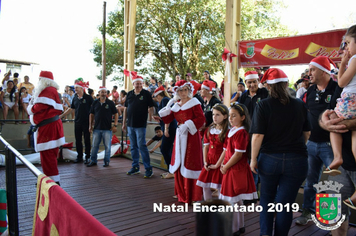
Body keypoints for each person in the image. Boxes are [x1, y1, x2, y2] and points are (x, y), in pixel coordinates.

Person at [250, 68, 310, 236]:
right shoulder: (300, 104)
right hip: (297, 160)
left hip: (269, 159)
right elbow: (307, 133)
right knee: (285, 204)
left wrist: (253, 159)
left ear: (268, 86)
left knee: (267, 200)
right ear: (286, 84)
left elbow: (257, 136)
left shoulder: (263, 105)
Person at [295, 56, 339, 226]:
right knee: (310, 182)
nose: (309, 73)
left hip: (331, 146)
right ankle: (307, 212)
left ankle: (333, 220)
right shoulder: (311, 90)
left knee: (335, 184)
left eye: (312, 69)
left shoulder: (337, 88)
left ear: (323, 71)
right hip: (312, 144)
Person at [159, 80, 205, 203]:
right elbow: (168, 118)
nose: (183, 92)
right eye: (180, 90)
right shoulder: (177, 105)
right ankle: (181, 193)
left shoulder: (195, 103)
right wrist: (168, 107)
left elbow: (201, 119)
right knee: (179, 162)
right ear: (177, 92)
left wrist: (188, 125)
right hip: (180, 135)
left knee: (190, 162)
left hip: (191, 136)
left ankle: (194, 195)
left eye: (185, 90)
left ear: (189, 90)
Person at [220, 102, 257, 236]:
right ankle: (239, 225)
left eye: (234, 116)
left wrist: (226, 166)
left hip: (236, 169)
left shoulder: (241, 133)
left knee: (233, 200)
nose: (230, 118)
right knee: (236, 200)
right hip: (231, 168)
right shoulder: (232, 131)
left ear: (242, 117)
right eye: (230, 116)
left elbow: (238, 154)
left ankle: (234, 228)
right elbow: (227, 151)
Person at [326, 25, 356, 174]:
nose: (346, 50)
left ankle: (337, 156)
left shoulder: (354, 60)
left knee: (333, 117)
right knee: (333, 195)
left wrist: (343, 64)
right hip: (346, 168)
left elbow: (341, 82)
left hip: (350, 102)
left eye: (347, 44)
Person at [27, 71, 65, 184]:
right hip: (50, 126)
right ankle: (51, 180)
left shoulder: (48, 91)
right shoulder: (51, 90)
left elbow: (37, 108)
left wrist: (29, 108)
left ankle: (52, 182)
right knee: (49, 156)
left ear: (44, 80)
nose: (38, 82)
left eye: (40, 79)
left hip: (48, 128)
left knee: (48, 156)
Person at [122, 73, 155, 178]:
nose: (139, 85)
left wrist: (151, 117)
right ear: (133, 84)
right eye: (137, 84)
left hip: (141, 125)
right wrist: (123, 123)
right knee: (133, 147)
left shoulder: (146, 94)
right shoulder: (129, 94)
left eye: (140, 84)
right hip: (130, 125)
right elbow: (126, 109)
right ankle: (135, 167)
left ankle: (148, 168)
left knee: (142, 146)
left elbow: (151, 107)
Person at [196, 104, 229, 200]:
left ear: (225, 116)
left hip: (220, 161)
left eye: (218, 115)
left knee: (220, 187)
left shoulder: (227, 131)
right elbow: (205, 147)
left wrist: (217, 165)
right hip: (209, 160)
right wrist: (205, 161)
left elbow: (225, 150)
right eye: (213, 114)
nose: (214, 117)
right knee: (205, 186)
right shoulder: (209, 130)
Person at [60, 81, 93, 164]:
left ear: (81, 88)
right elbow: (71, 108)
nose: (75, 89)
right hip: (77, 122)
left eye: (76, 88)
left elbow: (93, 110)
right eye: (75, 88)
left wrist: (92, 122)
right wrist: (62, 115)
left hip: (86, 122)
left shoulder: (88, 98)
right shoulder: (75, 97)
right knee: (78, 140)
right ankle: (79, 156)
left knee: (87, 140)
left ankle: (88, 156)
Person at [87, 86, 118, 167]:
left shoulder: (110, 103)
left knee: (107, 146)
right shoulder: (95, 102)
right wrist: (90, 126)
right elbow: (91, 114)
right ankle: (93, 160)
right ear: (99, 93)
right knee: (94, 146)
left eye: (105, 92)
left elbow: (116, 113)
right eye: (102, 92)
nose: (104, 93)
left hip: (107, 128)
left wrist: (115, 125)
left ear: (106, 93)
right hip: (96, 128)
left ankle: (106, 161)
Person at [152, 86, 177, 179]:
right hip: (169, 126)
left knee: (164, 149)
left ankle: (171, 170)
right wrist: (160, 119)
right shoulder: (164, 100)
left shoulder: (164, 100)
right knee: (168, 149)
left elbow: (168, 115)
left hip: (169, 127)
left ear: (158, 95)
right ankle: (171, 170)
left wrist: (166, 128)